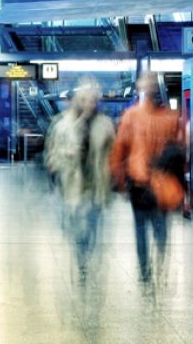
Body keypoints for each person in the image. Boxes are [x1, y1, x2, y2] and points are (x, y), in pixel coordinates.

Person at [109, 72, 182, 283]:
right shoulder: (138, 116)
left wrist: (121, 181)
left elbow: (119, 149)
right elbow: (120, 149)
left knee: (150, 228)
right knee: (150, 227)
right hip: (144, 182)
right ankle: (148, 269)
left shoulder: (162, 117)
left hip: (152, 182)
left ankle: (150, 270)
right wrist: (121, 180)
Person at [45, 78, 115, 281]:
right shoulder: (63, 123)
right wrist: (58, 162)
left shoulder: (105, 125)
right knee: (76, 225)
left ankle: (85, 253)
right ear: (77, 100)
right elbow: (54, 150)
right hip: (72, 182)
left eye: (93, 99)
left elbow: (113, 153)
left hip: (96, 183)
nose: (89, 104)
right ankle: (81, 256)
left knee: (91, 226)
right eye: (85, 99)